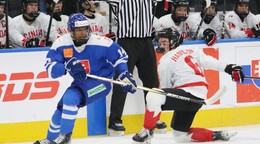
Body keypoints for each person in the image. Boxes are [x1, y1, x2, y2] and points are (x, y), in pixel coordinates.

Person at [33, 13, 137, 144]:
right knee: (62, 107)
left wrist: (124, 75)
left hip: (101, 83)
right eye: (78, 30)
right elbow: (50, 70)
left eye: (85, 29)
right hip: (81, 83)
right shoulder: (61, 44)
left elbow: (120, 57)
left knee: (70, 99)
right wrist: (66, 66)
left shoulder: (102, 42)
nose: (82, 33)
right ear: (70, 31)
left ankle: (64, 138)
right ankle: (50, 139)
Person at [132, 28, 243, 143]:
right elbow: (208, 61)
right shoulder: (191, 49)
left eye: (164, 42)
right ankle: (218, 135)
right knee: (180, 135)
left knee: (154, 94)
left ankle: (146, 132)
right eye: (160, 42)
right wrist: (228, 68)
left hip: (188, 93)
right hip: (198, 97)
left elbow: (165, 89)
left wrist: (154, 111)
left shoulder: (165, 61)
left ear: (173, 42)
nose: (161, 45)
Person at [107, 0, 166, 136]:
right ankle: (115, 121)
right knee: (122, 81)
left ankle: (154, 117)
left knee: (152, 82)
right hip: (126, 41)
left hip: (146, 41)